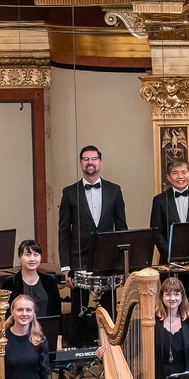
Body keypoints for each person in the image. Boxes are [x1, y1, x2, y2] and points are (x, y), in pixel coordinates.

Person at [56, 143, 127, 345]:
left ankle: (111, 351)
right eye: (86, 159)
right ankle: (77, 360)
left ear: (100, 162)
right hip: (79, 260)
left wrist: (121, 264)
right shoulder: (69, 192)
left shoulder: (115, 191)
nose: (90, 162)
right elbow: (64, 233)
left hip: (107, 261)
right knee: (78, 311)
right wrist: (66, 267)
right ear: (81, 163)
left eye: (94, 158)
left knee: (108, 310)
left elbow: (121, 229)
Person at [149, 158, 189, 300]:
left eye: (184, 172)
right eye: (175, 173)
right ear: (168, 177)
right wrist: (171, 254)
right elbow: (156, 232)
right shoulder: (159, 200)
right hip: (169, 262)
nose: (180, 177)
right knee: (171, 304)